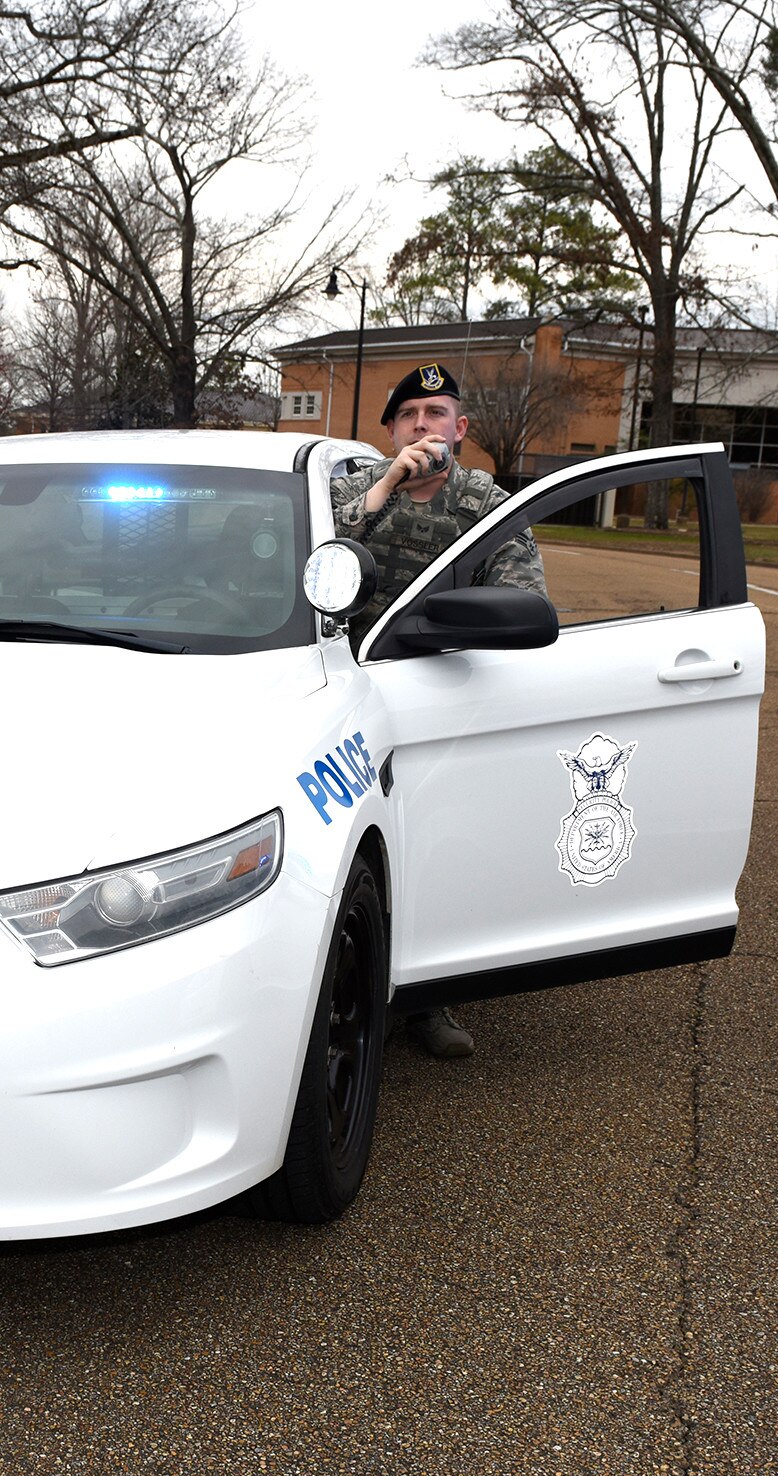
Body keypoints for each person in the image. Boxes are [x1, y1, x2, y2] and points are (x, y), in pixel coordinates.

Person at [326, 361, 550, 1062]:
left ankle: (427, 995)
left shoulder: (487, 503)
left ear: (461, 429)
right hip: (340, 689)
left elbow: (524, 595)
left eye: (437, 414)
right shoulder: (352, 489)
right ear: (392, 431)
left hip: (439, 698)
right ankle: (333, 987)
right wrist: (389, 485)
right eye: (410, 417)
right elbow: (316, 550)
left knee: (436, 845)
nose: (424, 427)